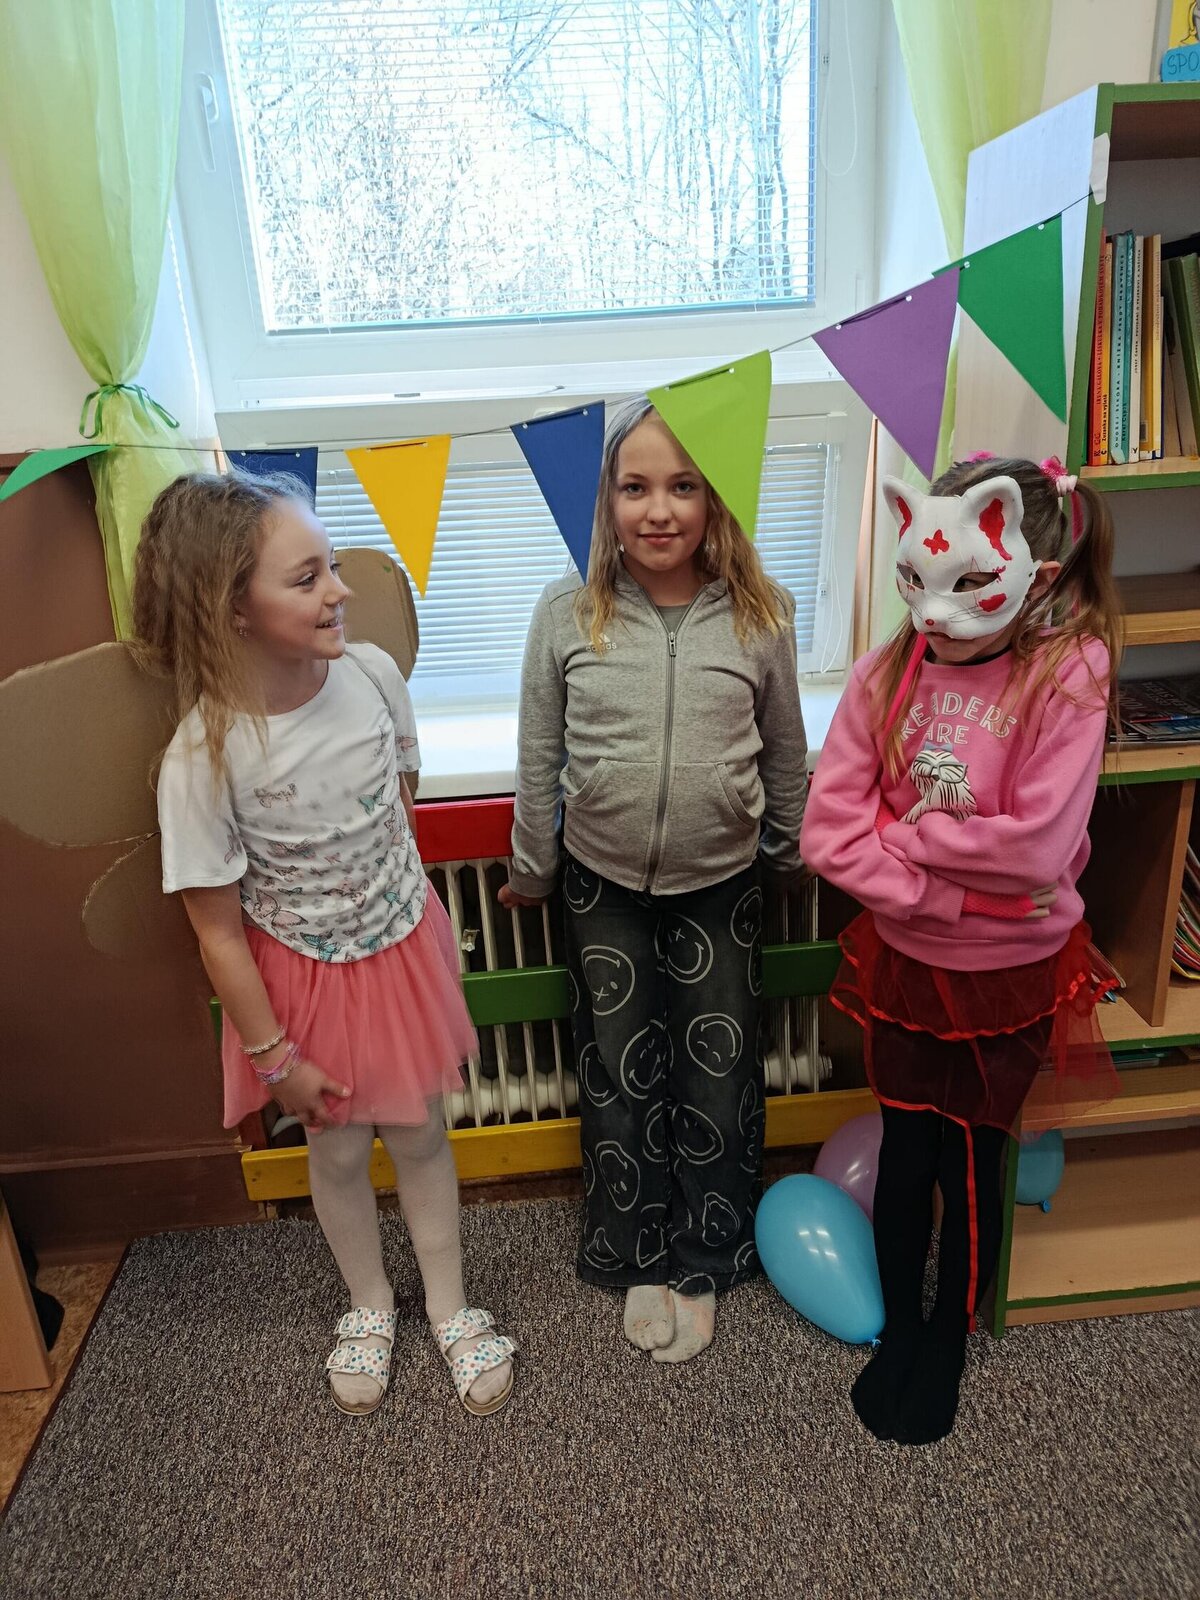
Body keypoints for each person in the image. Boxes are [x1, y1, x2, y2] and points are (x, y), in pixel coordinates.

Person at [135, 470, 517, 1418]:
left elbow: (398, 811)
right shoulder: (202, 758)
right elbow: (217, 931)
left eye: (332, 566)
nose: (340, 590)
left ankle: (450, 1304)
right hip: (301, 988)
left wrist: (407, 936)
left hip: (400, 955)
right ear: (232, 608)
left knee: (422, 1134)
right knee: (339, 1152)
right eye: (307, 578)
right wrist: (275, 1058)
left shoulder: (374, 677)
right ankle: (369, 1301)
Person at [801, 453, 1122, 1445]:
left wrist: (911, 838)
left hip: (1009, 977)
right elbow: (829, 834)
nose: (934, 614)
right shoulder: (885, 673)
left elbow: (1040, 845)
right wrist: (953, 890)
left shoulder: (1069, 674)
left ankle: (949, 1332)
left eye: (967, 586)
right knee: (908, 1150)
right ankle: (904, 1325)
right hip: (909, 962)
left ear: (1040, 574)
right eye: (916, 582)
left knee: (974, 1159)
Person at [500, 398, 809, 1363]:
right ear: (606, 499)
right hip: (602, 886)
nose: (660, 509)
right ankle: (634, 1249)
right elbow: (538, 757)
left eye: (683, 486)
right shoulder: (566, 610)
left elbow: (785, 752)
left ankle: (705, 1254)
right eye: (635, 487)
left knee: (718, 1076)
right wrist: (532, 869)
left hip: (722, 882)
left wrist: (790, 853)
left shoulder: (760, 613)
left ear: (714, 499)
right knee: (621, 1073)